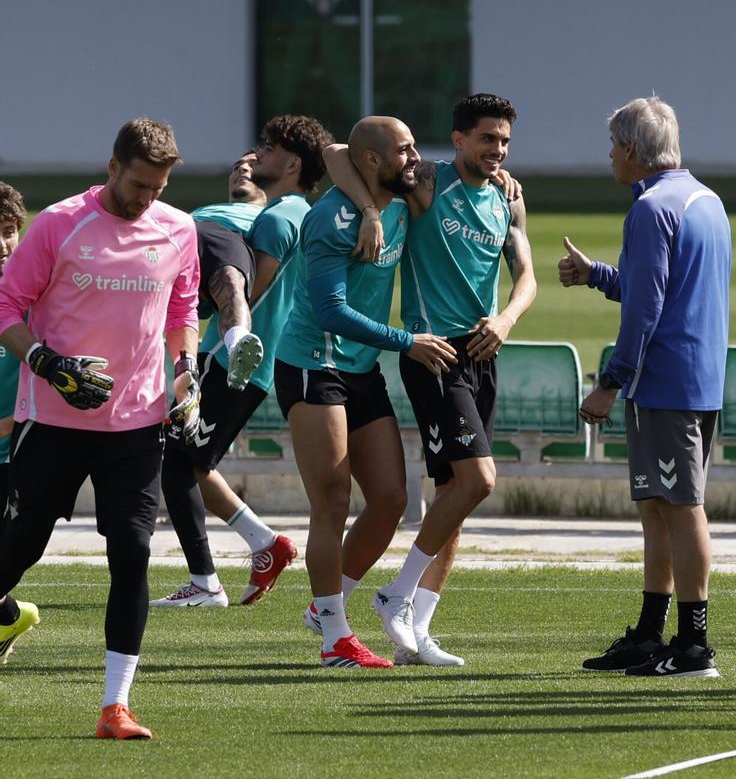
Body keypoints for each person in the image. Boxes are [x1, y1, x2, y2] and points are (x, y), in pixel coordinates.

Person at [313, 94, 533, 666]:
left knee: (455, 497)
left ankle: (417, 629)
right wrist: (368, 210)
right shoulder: (428, 184)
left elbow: (527, 275)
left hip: (484, 352)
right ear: (459, 140)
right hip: (434, 355)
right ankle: (396, 594)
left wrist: (507, 320)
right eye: (487, 138)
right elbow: (338, 152)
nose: (498, 150)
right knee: (478, 480)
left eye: (505, 141)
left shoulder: (509, 197)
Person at [0, 119, 201, 739]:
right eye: (139, 185)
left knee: (133, 553)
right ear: (113, 167)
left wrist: (187, 373)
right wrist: (45, 363)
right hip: (53, 420)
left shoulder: (178, 228)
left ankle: (116, 707)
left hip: (137, 423)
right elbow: (6, 306)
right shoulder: (59, 224)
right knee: (20, 545)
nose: (147, 199)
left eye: (159, 188)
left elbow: (183, 309)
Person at [274, 116, 458, 668]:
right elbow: (330, 311)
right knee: (331, 502)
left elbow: (339, 149)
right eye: (404, 149)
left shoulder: (397, 199)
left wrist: (504, 180)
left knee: (391, 498)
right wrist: (407, 342)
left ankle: (324, 608)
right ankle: (335, 637)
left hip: (361, 369)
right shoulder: (331, 217)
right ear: (373, 161)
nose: (415, 158)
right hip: (314, 364)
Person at [559, 96, 731, 678]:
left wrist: (611, 381)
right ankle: (652, 633)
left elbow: (646, 308)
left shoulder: (651, 208)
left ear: (632, 148)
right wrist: (596, 276)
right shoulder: (707, 201)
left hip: (664, 383)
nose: (610, 155)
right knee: (658, 508)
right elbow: (658, 287)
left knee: (679, 508)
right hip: (696, 379)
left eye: (613, 145)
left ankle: (694, 644)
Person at [154, 117, 333, 608]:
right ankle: (265, 544)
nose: (258, 156)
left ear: (292, 164)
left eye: (269, 149)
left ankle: (205, 583)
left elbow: (247, 292)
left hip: (230, 360)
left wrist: (198, 297)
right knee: (195, 463)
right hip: (258, 365)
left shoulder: (276, 219)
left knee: (176, 464)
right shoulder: (300, 212)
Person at [0, 183, 26, 519]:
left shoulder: (34, 298)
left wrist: (11, 424)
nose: (2, 245)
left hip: (18, 453)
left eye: (8, 231)